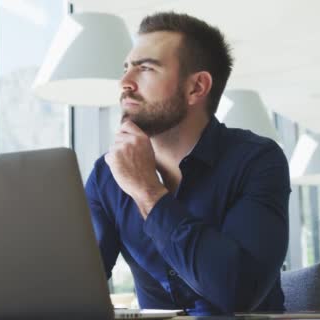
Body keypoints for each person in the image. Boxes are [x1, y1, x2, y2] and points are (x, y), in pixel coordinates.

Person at [85, 12, 290, 315]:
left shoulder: (257, 160)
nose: (125, 82)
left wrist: (148, 192)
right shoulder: (107, 174)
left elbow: (238, 291)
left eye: (145, 69)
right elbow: (79, 278)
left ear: (196, 88)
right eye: (126, 68)